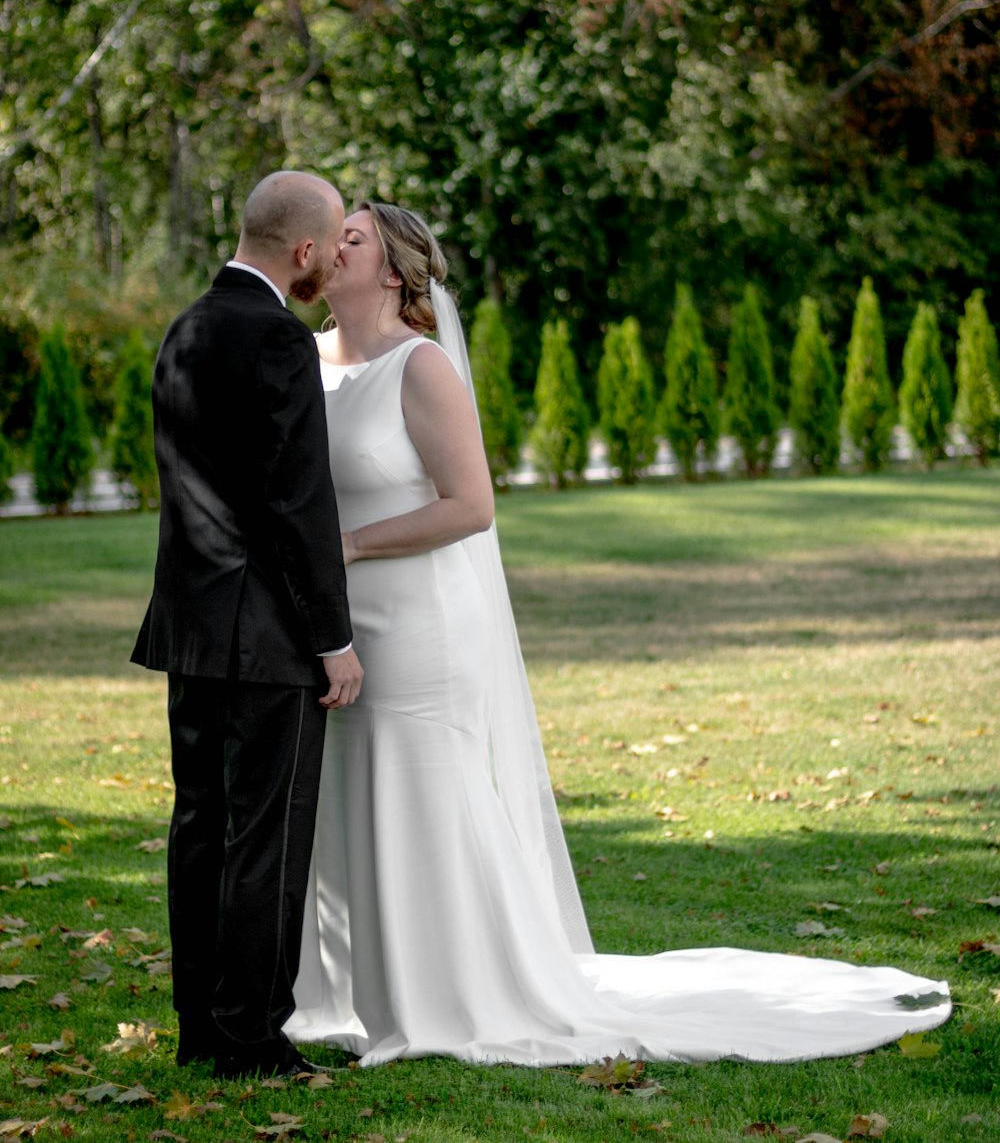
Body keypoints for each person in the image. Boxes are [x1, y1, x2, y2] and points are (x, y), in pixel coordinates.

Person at [285, 202, 951, 1067]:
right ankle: (353, 990)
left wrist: (349, 546)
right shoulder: (303, 360)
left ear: (393, 271)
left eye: (355, 236)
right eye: (333, 231)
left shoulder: (423, 369)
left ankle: (449, 993)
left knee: (417, 790)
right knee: (346, 793)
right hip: (332, 624)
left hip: (417, 621)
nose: (334, 243)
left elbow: (471, 506)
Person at [131, 171, 364, 1080]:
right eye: (332, 244)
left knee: (201, 827)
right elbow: (296, 506)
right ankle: (254, 1040)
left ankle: (202, 1027)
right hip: (265, 634)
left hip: (190, 629)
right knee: (265, 835)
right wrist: (333, 640)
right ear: (302, 253)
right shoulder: (279, 339)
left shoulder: (185, 327)